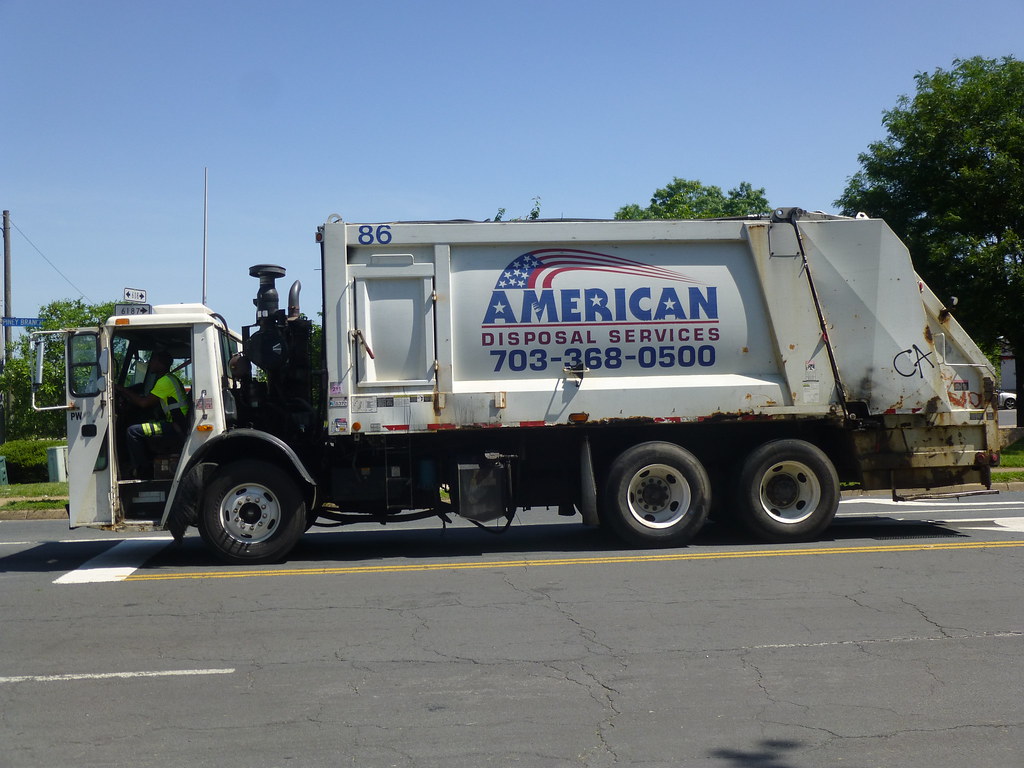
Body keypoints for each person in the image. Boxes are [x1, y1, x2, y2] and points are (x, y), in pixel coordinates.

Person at [117, 351, 190, 479]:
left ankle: (143, 471)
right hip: (177, 424)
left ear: (161, 364)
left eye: (153, 360)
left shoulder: (164, 382)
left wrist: (122, 389)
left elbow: (143, 403)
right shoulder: (168, 379)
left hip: (175, 427)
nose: (150, 363)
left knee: (132, 431)